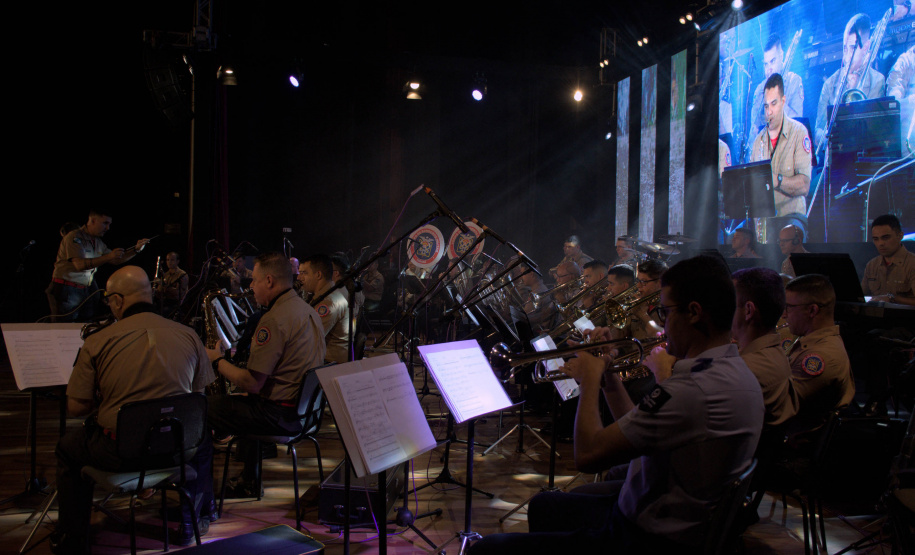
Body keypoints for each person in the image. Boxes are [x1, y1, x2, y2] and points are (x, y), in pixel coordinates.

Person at [468, 255, 763, 554]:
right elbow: (635, 423)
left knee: (486, 549)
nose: (662, 325)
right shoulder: (729, 372)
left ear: (694, 313)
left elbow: (588, 455)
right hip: (660, 515)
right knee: (546, 504)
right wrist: (608, 373)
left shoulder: (694, 389)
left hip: (643, 538)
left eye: (665, 312)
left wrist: (590, 381)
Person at [51, 266, 214, 553]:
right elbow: (198, 398)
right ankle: (194, 520)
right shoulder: (189, 335)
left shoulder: (98, 341)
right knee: (203, 439)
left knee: (67, 447)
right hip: (176, 449)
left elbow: (76, 407)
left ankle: (72, 539)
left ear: (116, 300)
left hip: (122, 454)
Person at [204, 252, 326, 498]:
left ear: (269, 281)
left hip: (280, 416)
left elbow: (253, 383)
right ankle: (248, 480)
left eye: (255, 280)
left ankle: (200, 499)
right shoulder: (307, 310)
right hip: (306, 415)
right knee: (245, 401)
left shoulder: (274, 319)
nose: (251, 286)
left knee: (202, 408)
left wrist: (216, 361)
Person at [47, 209, 149, 322]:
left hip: (85, 289)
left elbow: (115, 260)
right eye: (105, 223)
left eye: (109, 224)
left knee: (85, 324)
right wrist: (109, 256)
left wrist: (136, 250)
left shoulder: (97, 241)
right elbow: (79, 265)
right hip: (67, 290)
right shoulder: (74, 237)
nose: (107, 228)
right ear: (93, 220)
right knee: (64, 327)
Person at [783, 274, 855, 433]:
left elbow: (781, 406)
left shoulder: (820, 356)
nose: (784, 314)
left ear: (812, 310)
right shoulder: (809, 341)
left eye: (788, 307)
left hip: (795, 448)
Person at [732, 268, 799, 429]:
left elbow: (689, 420)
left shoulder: (746, 369)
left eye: (729, 304)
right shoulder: (771, 352)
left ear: (748, 311)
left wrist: (662, 370)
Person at [749, 73, 813, 240]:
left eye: (774, 104)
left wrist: (776, 180)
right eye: (765, 106)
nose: (769, 111)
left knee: (788, 237)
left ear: (783, 101)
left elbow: (805, 186)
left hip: (791, 217)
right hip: (765, 219)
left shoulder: (799, 132)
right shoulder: (758, 142)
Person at [815, 14, 886, 150]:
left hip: (865, 156)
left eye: (853, 48)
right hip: (835, 156)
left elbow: (874, 129)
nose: (847, 56)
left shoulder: (877, 80)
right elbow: (818, 129)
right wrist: (826, 136)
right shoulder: (830, 84)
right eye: (845, 48)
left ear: (866, 47)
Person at [298, 254, 351, 363]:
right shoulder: (323, 295)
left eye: (304, 273)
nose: (299, 278)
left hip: (328, 364)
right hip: (324, 359)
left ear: (318, 275)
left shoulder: (329, 302)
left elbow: (308, 338)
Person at [751, 33, 805, 132]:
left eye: (772, 61)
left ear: (781, 56)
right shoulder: (759, 90)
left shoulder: (794, 81)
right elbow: (754, 130)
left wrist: (777, 100)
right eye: (766, 64)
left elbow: (798, 122)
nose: (769, 69)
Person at [861, 214, 915, 305]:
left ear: (900, 236)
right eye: (876, 239)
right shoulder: (872, 265)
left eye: (885, 238)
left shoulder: (912, 264)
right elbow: (860, 297)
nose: (880, 243)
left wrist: (892, 299)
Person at [156, 251, 189, 316]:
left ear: (177, 261)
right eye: (168, 260)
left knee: (162, 312)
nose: (169, 262)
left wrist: (164, 285)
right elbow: (159, 292)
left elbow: (178, 294)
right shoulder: (166, 274)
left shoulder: (182, 275)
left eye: (172, 260)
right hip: (165, 302)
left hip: (175, 305)